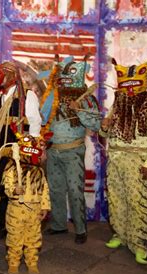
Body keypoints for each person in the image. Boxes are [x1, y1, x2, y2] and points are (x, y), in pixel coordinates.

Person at [101, 54, 147, 265]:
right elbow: (106, 135)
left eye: (132, 84)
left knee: (137, 202)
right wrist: (105, 126)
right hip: (116, 158)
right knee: (117, 199)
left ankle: (139, 244)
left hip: (138, 160)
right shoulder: (116, 105)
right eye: (125, 85)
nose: (128, 89)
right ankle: (120, 234)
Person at [40, 55, 101, 243]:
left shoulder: (87, 99)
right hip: (53, 150)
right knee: (56, 189)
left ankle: (81, 229)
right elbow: (44, 122)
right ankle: (59, 225)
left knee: (75, 190)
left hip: (73, 151)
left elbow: (96, 124)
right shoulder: (52, 97)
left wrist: (78, 111)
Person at [0, 61, 42, 239]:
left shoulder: (27, 96)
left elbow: (34, 124)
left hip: (17, 148)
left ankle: (20, 225)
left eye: (4, 71)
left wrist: (29, 150)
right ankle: (2, 224)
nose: (0, 75)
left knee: (16, 185)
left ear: (13, 76)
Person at [2, 124, 51, 274]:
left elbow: (44, 190)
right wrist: (14, 190)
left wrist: (44, 207)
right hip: (16, 210)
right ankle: (13, 262)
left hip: (34, 211)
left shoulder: (39, 171)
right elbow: (6, 186)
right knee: (15, 238)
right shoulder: (12, 168)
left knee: (33, 238)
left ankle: (32, 262)